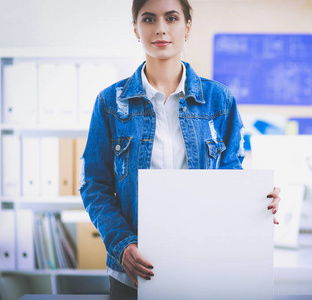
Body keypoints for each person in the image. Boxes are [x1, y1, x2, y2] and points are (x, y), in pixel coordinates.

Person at [79, 0, 281, 298]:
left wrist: (257, 199)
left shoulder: (219, 100)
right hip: (133, 274)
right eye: (149, 19)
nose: (160, 28)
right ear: (136, 28)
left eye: (171, 18)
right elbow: (94, 184)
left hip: (202, 266)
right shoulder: (110, 102)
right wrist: (122, 245)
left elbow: (229, 178)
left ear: (187, 26)